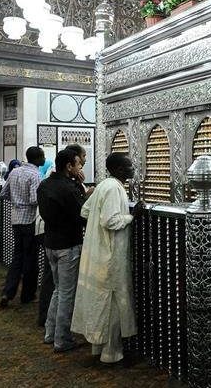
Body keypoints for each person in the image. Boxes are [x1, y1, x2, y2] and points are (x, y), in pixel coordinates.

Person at [71, 153, 143, 365]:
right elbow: (110, 221)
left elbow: (85, 211)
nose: (132, 168)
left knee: (101, 300)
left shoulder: (104, 185)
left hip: (99, 252)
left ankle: (99, 347)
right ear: (119, 169)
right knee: (112, 304)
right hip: (110, 255)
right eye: (129, 165)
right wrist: (132, 216)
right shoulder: (113, 188)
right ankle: (112, 353)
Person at [37, 149, 87, 352]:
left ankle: (50, 333)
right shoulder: (68, 188)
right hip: (68, 245)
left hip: (50, 243)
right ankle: (62, 339)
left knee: (58, 290)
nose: (80, 167)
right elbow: (82, 214)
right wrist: (83, 191)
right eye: (78, 164)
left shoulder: (45, 184)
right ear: (69, 166)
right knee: (66, 293)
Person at [0, 146, 45, 308]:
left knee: (17, 258)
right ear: (37, 158)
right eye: (43, 156)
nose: (44, 159)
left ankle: (7, 292)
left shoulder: (14, 172)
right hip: (30, 221)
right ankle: (27, 295)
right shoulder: (35, 175)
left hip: (16, 220)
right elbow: (34, 199)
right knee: (30, 259)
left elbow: (3, 194)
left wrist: (17, 202)